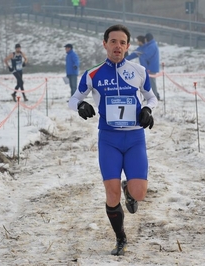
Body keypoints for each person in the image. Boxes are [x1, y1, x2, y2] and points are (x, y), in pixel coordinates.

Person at [68, 24, 158, 256]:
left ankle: (131, 189)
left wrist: (148, 109)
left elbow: (151, 97)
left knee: (139, 193)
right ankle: (120, 238)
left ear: (128, 46)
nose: (117, 46)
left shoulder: (139, 71)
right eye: (113, 41)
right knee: (111, 193)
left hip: (135, 137)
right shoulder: (92, 73)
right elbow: (74, 98)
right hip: (109, 139)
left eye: (122, 42)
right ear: (105, 44)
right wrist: (81, 105)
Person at [126, 33, 161, 100]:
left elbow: (146, 56)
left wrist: (141, 55)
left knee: (151, 82)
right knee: (147, 83)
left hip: (150, 68)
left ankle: (155, 96)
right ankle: (151, 95)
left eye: (137, 41)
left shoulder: (151, 46)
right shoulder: (148, 46)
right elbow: (135, 54)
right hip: (148, 68)